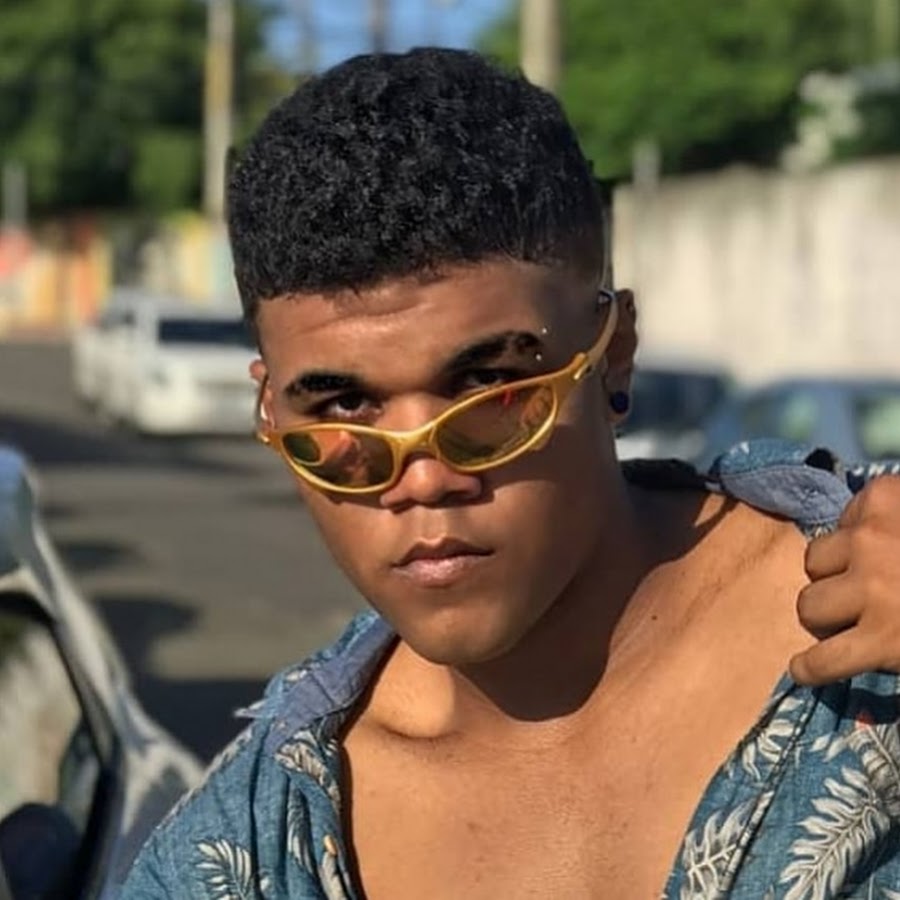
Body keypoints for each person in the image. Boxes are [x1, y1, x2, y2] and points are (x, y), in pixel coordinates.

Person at [121, 48, 900, 899]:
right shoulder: (249, 853)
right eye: (343, 407)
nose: (421, 477)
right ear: (271, 410)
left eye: (490, 387)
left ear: (614, 355)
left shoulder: (880, 600)